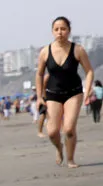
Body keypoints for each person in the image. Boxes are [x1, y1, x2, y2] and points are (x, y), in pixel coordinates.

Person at [36, 16, 94, 168]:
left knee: (68, 129)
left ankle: (70, 159)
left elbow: (89, 71)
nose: (60, 32)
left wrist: (88, 89)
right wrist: (39, 97)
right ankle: (59, 148)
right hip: (52, 94)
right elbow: (39, 74)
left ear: (69, 31)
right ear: (52, 32)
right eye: (56, 29)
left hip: (73, 93)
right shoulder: (45, 52)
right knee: (52, 132)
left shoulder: (78, 49)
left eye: (63, 29)